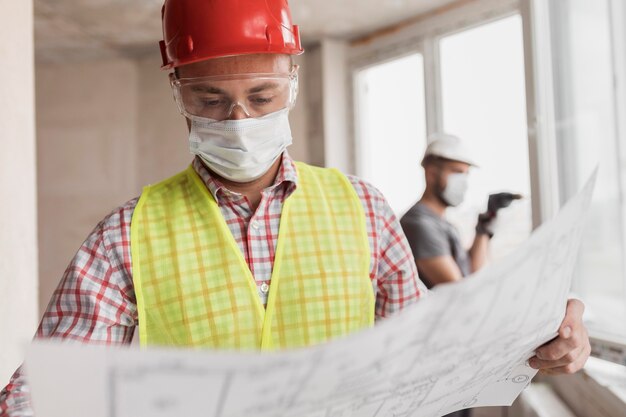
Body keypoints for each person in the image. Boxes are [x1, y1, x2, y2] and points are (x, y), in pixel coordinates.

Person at [0, 2, 590, 416]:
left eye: (261, 96)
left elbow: (426, 357)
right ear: (176, 90)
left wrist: (536, 342)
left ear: (293, 82)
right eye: (209, 98)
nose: (238, 120)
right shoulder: (125, 237)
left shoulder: (363, 210)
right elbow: (46, 390)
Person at [401, 134, 521, 288]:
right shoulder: (419, 225)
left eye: (466, 174)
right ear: (431, 174)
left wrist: (484, 226)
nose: (463, 181)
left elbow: (472, 270)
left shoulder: (440, 222)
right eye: (457, 172)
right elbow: (460, 289)